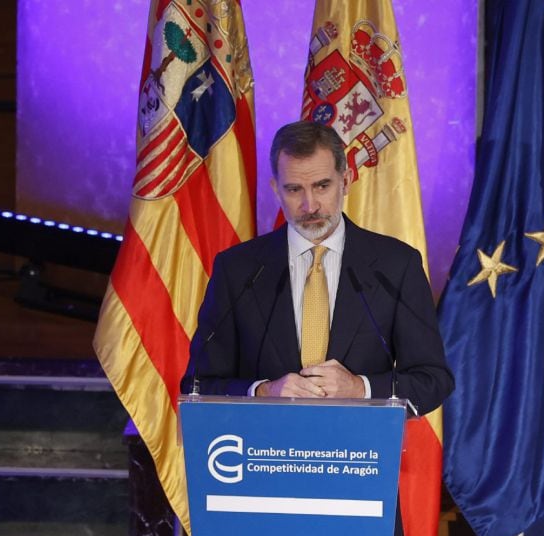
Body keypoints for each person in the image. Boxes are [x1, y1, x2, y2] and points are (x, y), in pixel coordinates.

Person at [181, 120, 453, 415]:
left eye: (322, 186)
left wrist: (360, 388)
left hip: (358, 452)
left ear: (346, 180)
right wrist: (263, 391)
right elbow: (199, 384)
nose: (309, 205)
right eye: (294, 189)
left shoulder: (396, 265)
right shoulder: (238, 270)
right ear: (276, 189)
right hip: (263, 453)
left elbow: (432, 380)